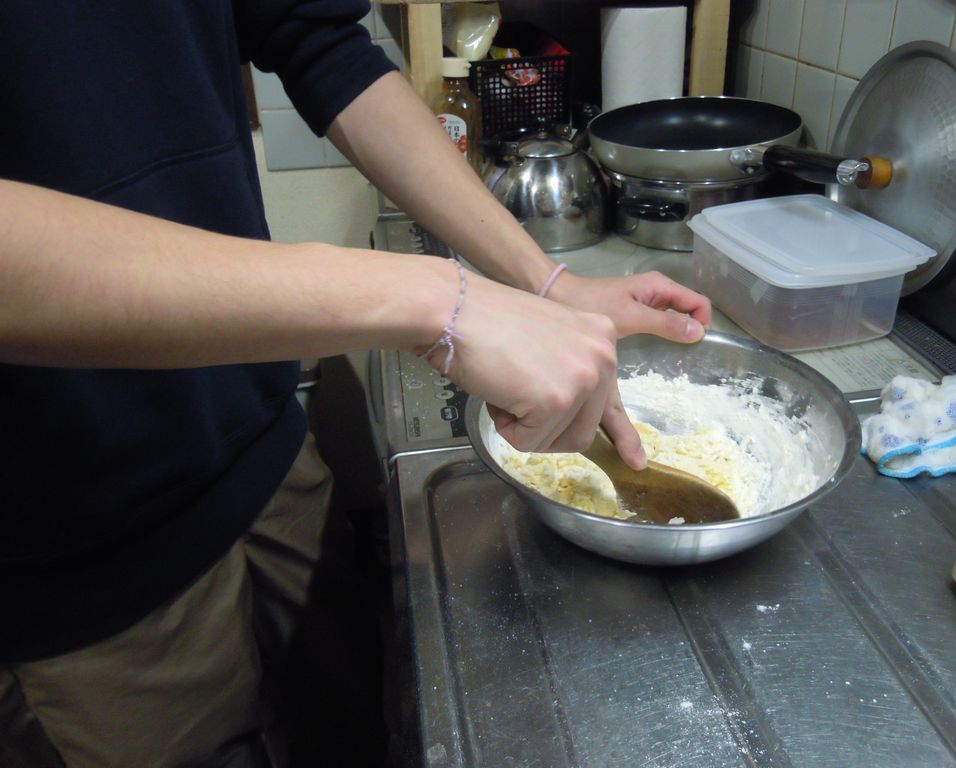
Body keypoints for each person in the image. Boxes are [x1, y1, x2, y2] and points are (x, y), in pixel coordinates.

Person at [0, 1, 712, 766]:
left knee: (353, 732)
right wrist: (439, 300)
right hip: (67, 536)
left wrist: (547, 283)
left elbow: (320, 43)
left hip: (267, 453)